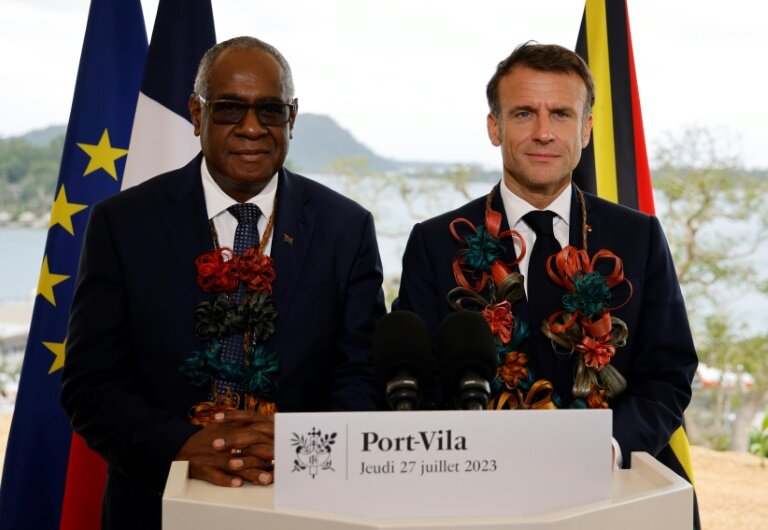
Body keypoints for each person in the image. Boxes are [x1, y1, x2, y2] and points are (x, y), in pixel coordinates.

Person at [61, 36, 385, 530]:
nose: (252, 127)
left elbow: (362, 377)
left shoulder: (347, 228)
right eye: (230, 108)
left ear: (291, 119)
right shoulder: (123, 224)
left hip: (305, 504)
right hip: (155, 502)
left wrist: (297, 444)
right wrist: (180, 447)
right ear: (196, 114)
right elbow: (90, 383)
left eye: (270, 111)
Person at [394, 43, 697, 474]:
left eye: (561, 114)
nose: (543, 132)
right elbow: (416, 382)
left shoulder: (638, 237)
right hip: (479, 480)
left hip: (615, 481)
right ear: (494, 127)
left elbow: (668, 375)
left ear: (585, 130)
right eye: (523, 114)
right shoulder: (436, 242)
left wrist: (609, 449)